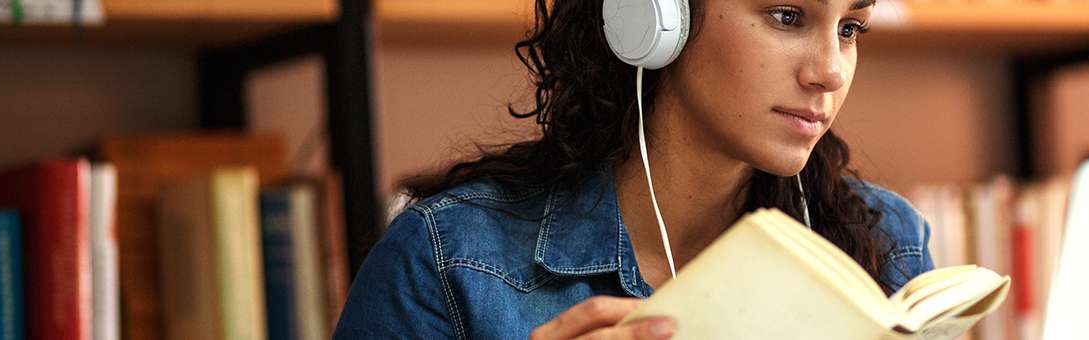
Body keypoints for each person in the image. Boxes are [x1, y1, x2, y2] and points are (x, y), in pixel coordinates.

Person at [334, 0, 933, 338]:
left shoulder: (887, 243)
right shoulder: (448, 263)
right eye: (786, 16)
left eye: (850, 28)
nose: (829, 71)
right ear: (654, 19)